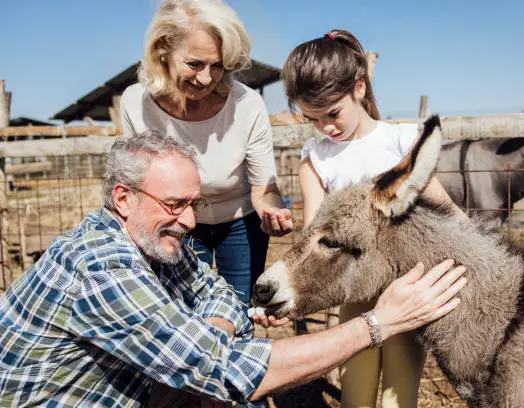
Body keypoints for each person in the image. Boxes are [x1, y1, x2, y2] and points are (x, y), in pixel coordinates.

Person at [0, 131, 467, 408]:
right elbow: (231, 371)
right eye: (175, 204)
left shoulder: (155, 239)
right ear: (123, 198)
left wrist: (214, 331)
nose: (189, 220)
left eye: (195, 203)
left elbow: (218, 292)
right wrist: (378, 324)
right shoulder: (102, 269)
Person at [283, 29, 468, 408]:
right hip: (354, 290)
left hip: (407, 288)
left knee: (399, 396)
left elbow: (445, 208)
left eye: (332, 113)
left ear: (359, 89)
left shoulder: (401, 143)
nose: (326, 128)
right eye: (312, 119)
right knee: (356, 393)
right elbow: (312, 233)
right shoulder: (315, 158)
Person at [120, 0, 292, 307]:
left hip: (240, 222)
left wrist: (272, 211)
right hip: (177, 220)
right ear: (164, 51)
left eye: (218, 66)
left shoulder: (247, 105)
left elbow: (264, 189)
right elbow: (138, 182)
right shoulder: (137, 104)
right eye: (195, 64)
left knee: (239, 309)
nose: (206, 78)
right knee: (182, 313)